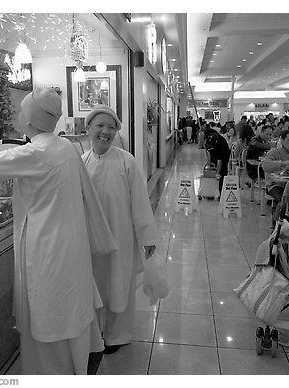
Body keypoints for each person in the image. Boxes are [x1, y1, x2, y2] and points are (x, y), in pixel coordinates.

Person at [0, 87, 118, 374]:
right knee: (71, 308)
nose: (17, 116)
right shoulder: (65, 146)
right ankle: (77, 366)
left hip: (47, 248)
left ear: (31, 119)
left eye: (20, 111)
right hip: (71, 245)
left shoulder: (36, 151)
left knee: (50, 312)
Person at [81, 106, 159, 354]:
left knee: (119, 284)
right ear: (89, 129)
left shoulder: (126, 161)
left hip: (121, 236)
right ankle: (97, 333)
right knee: (94, 285)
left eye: (111, 127)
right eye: (100, 126)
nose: (105, 132)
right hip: (91, 240)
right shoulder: (81, 163)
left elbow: (140, 202)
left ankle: (117, 335)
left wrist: (147, 237)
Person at [261, 128, 289, 220]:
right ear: (282, 140)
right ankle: (278, 224)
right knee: (283, 200)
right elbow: (265, 165)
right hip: (275, 185)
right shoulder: (274, 152)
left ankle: (287, 225)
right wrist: (283, 164)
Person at [204, 127, 231, 194]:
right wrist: (209, 161)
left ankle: (221, 192)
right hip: (214, 149)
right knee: (212, 169)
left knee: (222, 172)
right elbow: (208, 151)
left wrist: (218, 173)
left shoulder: (221, 145)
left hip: (224, 155)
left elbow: (220, 160)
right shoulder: (209, 136)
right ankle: (210, 191)